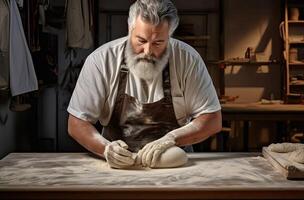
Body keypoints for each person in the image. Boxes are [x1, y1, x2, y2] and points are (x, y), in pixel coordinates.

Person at [67, 0, 222, 169]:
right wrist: (105, 149)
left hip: (176, 168)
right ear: (129, 29)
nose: (148, 51)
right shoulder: (102, 61)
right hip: (118, 167)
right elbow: (76, 123)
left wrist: (171, 139)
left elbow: (212, 120)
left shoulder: (188, 60)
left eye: (158, 43)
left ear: (170, 35)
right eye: (141, 40)